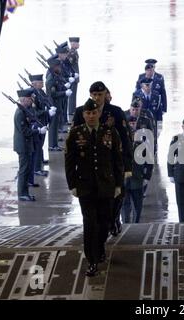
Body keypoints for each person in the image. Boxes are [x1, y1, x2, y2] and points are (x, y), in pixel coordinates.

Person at [65, 98, 123, 277]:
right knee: (90, 224)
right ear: (83, 115)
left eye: (94, 113)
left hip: (106, 186)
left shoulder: (110, 132)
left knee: (105, 222)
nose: (91, 116)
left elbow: (117, 160)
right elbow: (69, 162)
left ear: (99, 113)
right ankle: (92, 260)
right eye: (87, 113)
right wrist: (72, 184)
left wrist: (119, 184)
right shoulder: (75, 134)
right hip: (86, 187)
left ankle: (100, 248)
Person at [72, 82, 133, 237]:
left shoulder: (116, 112)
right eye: (94, 95)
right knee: (97, 202)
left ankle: (114, 220)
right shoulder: (81, 112)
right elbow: (73, 141)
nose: (97, 98)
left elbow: (125, 140)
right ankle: (102, 229)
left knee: (117, 196)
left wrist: (127, 167)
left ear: (106, 94)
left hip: (113, 164)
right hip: (90, 165)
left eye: (100, 94)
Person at [14, 89, 47, 201]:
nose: (31, 101)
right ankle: (22, 194)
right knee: (24, 170)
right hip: (23, 146)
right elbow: (25, 131)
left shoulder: (23, 111)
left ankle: (25, 192)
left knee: (27, 169)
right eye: (29, 99)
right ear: (24, 100)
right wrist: (38, 131)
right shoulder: (20, 113)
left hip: (26, 145)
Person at [121, 116, 154, 223]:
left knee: (137, 205)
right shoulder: (120, 145)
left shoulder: (142, 146)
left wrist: (147, 177)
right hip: (124, 180)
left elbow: (149, 162)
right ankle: (125, 224)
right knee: (124, 205)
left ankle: (136, 225)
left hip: (137, 179)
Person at [46, 57, 72, 151]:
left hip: (57, 103)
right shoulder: (51, 79)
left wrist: (64, 87)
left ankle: (55, 144)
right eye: (58, 66)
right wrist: (64, 93)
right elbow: (52, 94)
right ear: (54, 67)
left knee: (56, 124)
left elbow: (58, 87)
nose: (60, 68)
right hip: (53, 104)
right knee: (53, 126)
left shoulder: (55, 76)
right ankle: (52, 145)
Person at [68, 37, 80, 116]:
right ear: (73, 44)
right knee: (72, 94)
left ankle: (73, 109)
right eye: (77, 43)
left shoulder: (74, 51)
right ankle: (72, 111)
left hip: (75, 76)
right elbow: (69, 65)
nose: (78, 45)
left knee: (74, 94)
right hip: (72, 77)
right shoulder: (72, 52)